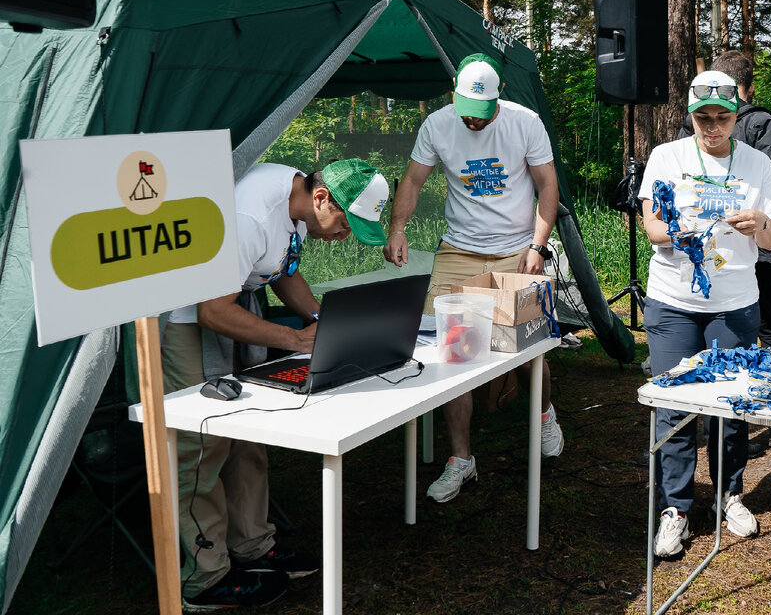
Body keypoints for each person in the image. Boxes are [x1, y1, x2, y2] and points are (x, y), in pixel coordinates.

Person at [161, 158, 391, 611]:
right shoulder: (250, 216)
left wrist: (323, 322)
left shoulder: (298, 202)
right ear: (322, 198)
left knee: (249, 430)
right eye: (347, 225)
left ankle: (253, 549)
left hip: (235, 304)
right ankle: (204, 577)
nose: (345, 236)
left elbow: (285, 270)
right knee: (200, 444)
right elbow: (212, 310)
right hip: (186, 316)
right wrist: (295, 339)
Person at [384, 52, 564, 504]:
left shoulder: (525, 123)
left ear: (498, 99)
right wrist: (398, 228)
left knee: (527, 350)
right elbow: (412, 180)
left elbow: (547, 185)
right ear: (454, 94)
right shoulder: (437, 125)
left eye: (482, 113)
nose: (473, 121)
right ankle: (461, 459)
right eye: (467, 111)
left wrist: (538, 246)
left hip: (517, 249)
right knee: (452, 353)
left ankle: (544, 415)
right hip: (459, 250)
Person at [640, 72, 771, 558]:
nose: (712, 127)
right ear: (690, 115)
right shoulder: (667, 157)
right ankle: (675, 509)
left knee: (732, 403)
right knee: (675, 407)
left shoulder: (756, 163)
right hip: (673, 302)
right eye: (703, 118)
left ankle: (729, 494)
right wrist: (683, 231)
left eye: (722, 118)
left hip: (734, 304)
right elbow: (652, 228)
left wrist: (759, 222)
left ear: (736, 116)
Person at [678, 51, 771, 451]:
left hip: (705, 252)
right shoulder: (764, 124)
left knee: (712, 338)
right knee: (770, 334)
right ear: (749, 86)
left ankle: (717, 427)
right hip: (758, 250)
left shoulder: (692, 122)